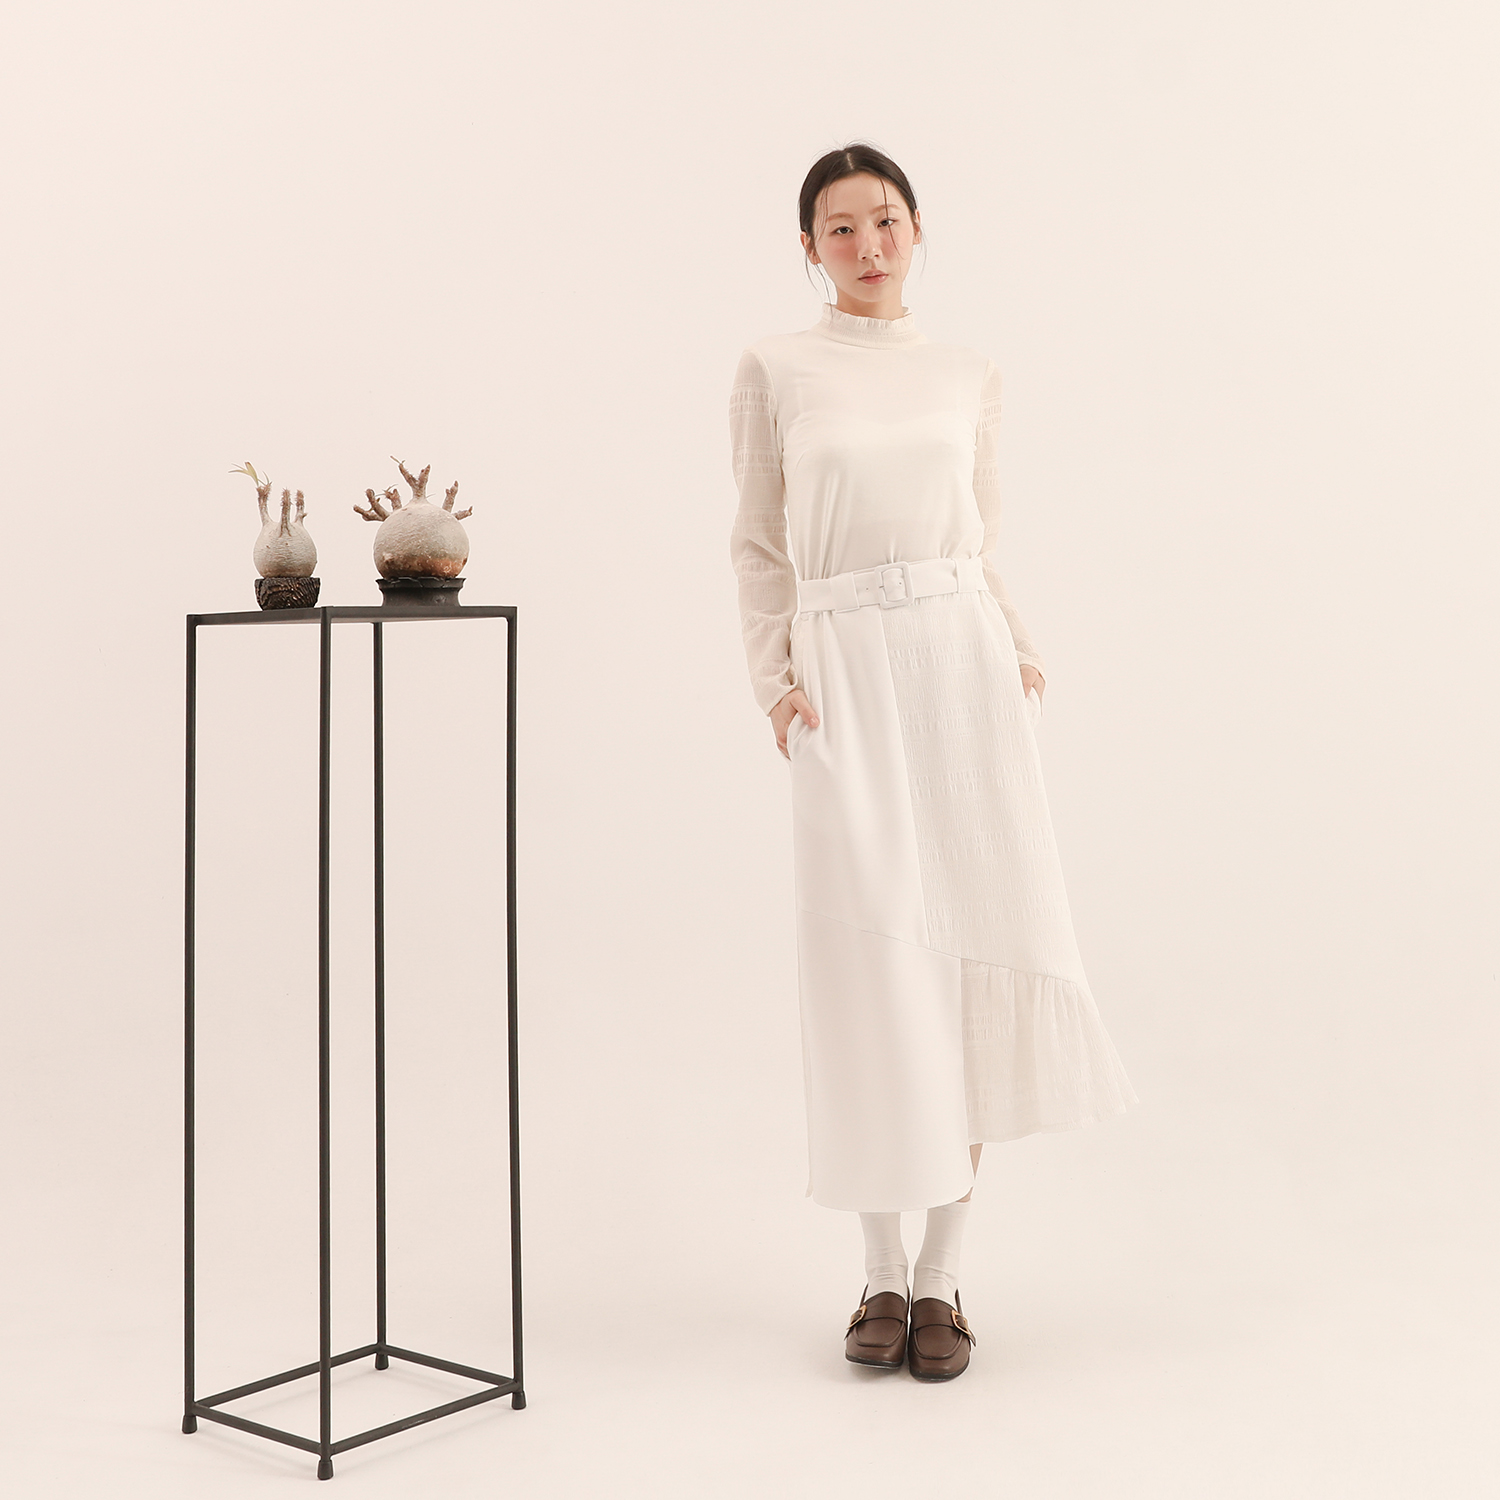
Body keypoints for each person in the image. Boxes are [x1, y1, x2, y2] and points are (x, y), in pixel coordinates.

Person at [727, 143, 1138, 1382]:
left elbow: (983, 535)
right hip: (845, 670)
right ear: (810, 247)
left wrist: (1017, 645)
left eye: (887, 220)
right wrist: (777, 684)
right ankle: (879, 1272)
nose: (868, 245)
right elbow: (757, 545)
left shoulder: (967, 373)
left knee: (967, 959)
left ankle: (946, 1276)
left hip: (961, 669)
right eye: (841, 227)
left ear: (917, 230)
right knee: (871, 967)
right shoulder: (776, 369)